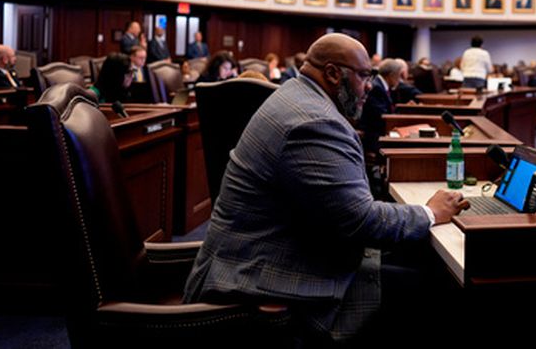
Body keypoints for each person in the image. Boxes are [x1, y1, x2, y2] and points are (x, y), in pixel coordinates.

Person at [183, 33, 468, 345]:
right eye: (364, 76)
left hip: (272, 255)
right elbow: (361, 222)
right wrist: (430, 212)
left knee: (417, 261)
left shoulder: (296, 95)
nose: (370, 86)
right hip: (267, 279)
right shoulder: (313, 122)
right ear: (333, 73)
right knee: (436, 288)